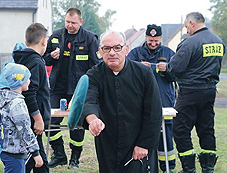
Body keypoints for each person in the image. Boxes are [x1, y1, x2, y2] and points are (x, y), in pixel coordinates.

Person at [81, 30, 162, 172]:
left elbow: (154, 111)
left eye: (117, 48)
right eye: (106, 48)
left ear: (126, 49)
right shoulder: (94, 74)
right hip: (108, 143)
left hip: (138, 143)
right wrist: (93, 119)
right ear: (100, 51)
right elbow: (89, 99)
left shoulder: (143, 73)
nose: (112, 52)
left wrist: (144, 144)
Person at [157, 12, 226, 172]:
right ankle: (208, 168)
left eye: (187, 26)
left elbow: (176, 68)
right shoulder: (218, 42)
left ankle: (189, 169)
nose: (186, 29)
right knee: (206, 129)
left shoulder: (189, 43)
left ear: (192, 23)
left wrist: (166, 67)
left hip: (190, 93)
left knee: (180, 129)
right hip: (210, 92)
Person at [43, 7, 100, 169]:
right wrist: (51, 57)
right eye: (68, 22)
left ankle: (75, 158)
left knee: (77, 124)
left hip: (78, 90)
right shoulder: (55, 37)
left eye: (73, 23)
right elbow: (45, 59)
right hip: (57, 88)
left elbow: (96, 66)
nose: (70, 25)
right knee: (50, 122)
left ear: (80, 22)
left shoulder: (89, 39)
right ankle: (59, 154)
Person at [127, 24, 176, 173]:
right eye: (150, 40)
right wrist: (137, 66)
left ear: (160, 38)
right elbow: (125, 72)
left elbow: (177, 75)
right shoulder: (135, 53)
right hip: (140, 101)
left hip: (164, 100)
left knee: (166, 135)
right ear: (146, 38)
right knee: (141, 131)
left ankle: (168, 167)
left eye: (156, 40)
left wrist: (167, 69)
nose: (153, 43)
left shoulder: (169, 53)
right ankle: (141, 164)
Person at [13, 23, 51, 173]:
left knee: (36, 160)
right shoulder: (35, 62)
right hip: (32, 121)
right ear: (44, 41)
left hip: (27, 120)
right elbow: (29, 93)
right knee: (36, 161)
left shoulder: (23, 59)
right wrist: (38, 119)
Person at [0, 63, 43, 173]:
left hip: (9, 151)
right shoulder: (17, 104)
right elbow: (25, 130)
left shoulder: (7, 99)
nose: (30, 81)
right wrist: (36, 153)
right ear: (20, 81)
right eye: (28, 78)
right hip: (15, 154)